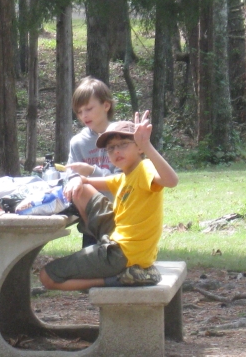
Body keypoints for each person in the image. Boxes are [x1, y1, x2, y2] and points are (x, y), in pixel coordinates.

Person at [40, 111, 178, 291]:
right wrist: (77, 178)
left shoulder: (144, 169)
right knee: (82, 190)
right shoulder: (123, 177)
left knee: (47, 276)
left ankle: (116, 279)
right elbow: (86, 182)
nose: (116, 151)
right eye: (111, 148)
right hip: (123, 246)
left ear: (139, 148)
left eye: (123, 144)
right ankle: (102, 254)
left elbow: (171, 181)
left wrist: (147, 145)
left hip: (122, 253)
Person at [65, 77, 120, 247]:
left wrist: (91, 171)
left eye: (89, 108)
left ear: (106, 105)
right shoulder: (77, 142)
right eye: (79, 111)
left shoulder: (121, 138)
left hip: (121, 218)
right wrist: (74, 177)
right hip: (90, 223)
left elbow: (124, 181)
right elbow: (70, 177)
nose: (84, 115)